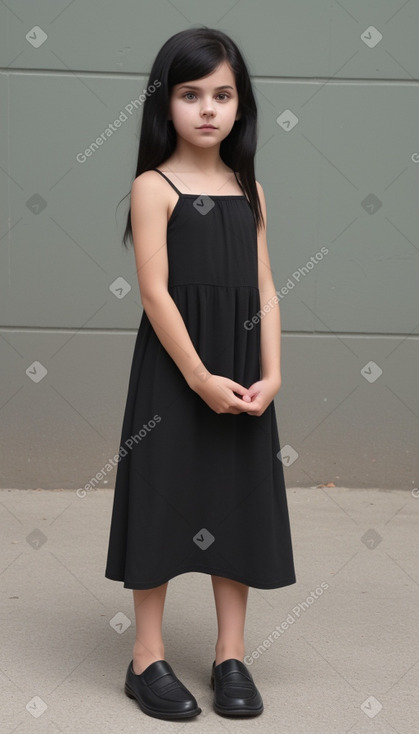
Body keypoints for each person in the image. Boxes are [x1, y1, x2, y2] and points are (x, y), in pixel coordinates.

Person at [105, 26, 296, 721]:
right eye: (191, 94)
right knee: (162, 500)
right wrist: (195, 376)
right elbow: (155, 293)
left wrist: (270, 374)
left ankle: (230, 653)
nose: (208, 109)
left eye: (222, 94)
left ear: (240, 106)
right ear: (166, 104)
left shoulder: (250, 191)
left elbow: (266, 286)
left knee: (233, 504)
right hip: (176, 368)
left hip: (240, 369)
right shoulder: (151, 188)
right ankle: (146, 656)